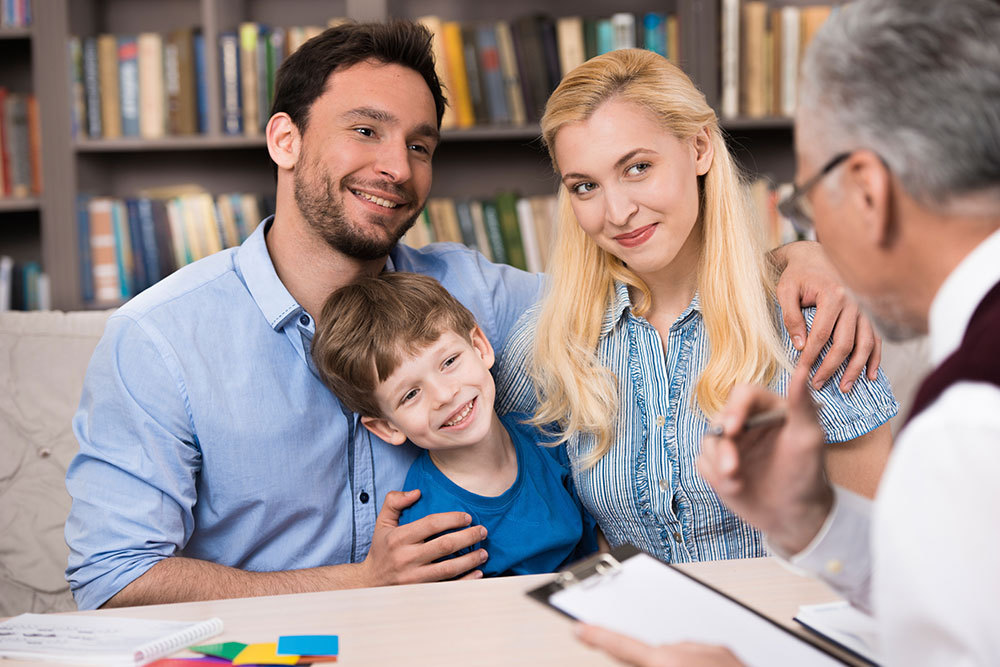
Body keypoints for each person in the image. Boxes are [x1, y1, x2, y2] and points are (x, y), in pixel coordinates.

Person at [64, 20, 878, 611]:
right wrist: (358, 581)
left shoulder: (480, 302)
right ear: (284, 139)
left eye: (419, 144)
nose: (395, 165)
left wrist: (799, 258)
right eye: (365, 130)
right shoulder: (161, 339)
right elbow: (110, 574)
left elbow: (644, 279)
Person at [578, 0, 1000, 664]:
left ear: (867, 191)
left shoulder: (967, 421)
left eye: (807, 201)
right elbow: (948, 599)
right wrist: (814, 519)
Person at [496, 48, 897, 567]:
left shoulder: (811, 321)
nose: (617, 213)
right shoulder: (550, 341)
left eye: (637, 167)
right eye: (586, 186)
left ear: (700, 148)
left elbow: (880, 554)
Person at [311, 272, 598, 576]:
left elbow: (600, 541)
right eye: (411, 394)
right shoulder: (430, 524)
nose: (445, 395)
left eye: (449, 362)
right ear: (388, 427)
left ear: (480, 347)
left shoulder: (548, 436)